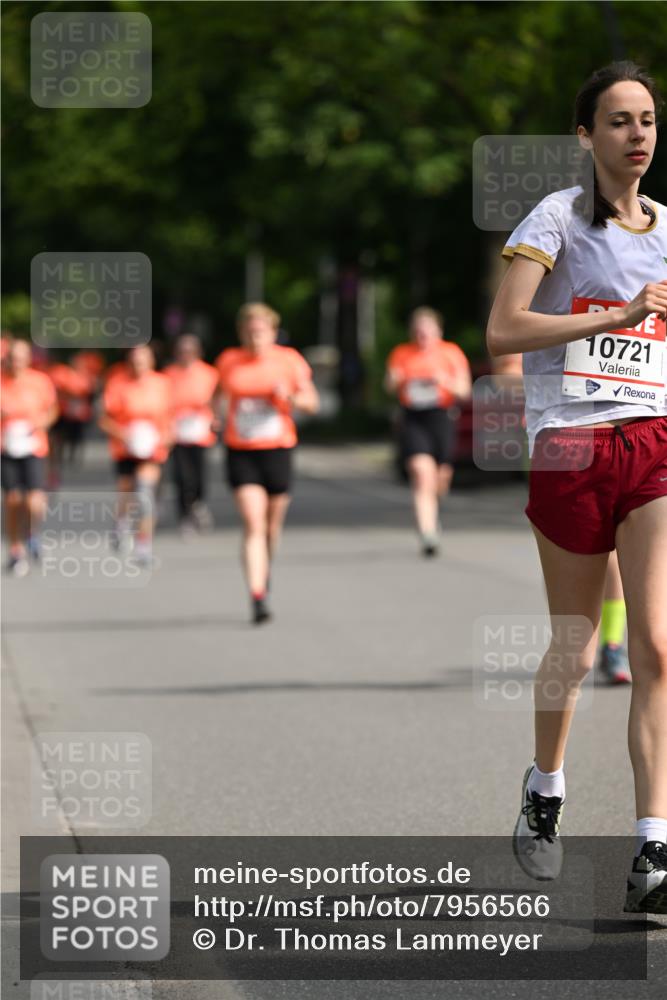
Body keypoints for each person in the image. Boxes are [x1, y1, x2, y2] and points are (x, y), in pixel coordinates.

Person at [487, 62, 667, 912]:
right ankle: (545, 787)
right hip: (568, 443)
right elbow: (504, 329)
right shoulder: (555, 217)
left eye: (647, 120)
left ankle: (652, 847)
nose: (636, 135)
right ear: (585, 136)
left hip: (653, 441)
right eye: (619, 121)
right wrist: (612, 314)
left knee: (658, 648)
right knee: (574, 642)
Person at [215, 303, 319, 624]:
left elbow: (311, 403)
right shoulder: (229, 361)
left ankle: (264, 571)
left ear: (273, 332)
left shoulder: (288, 361)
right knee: (253, 522)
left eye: (260, 331)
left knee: (272, 527)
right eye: (248, 330)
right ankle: (257, 593)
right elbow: (218, 397)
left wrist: (290, 398)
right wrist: (215, 417)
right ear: (240, 332)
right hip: (241, 450)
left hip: (277, 449)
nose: (254, 336)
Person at [385, 307, 471, 556]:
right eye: (418, 330)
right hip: (413, 417)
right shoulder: (402, 353)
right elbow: (389, 385)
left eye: (427, 330)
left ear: (437, 331)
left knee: (441, 476)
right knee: (422, 473)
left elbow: (464, 390)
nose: (423, 335)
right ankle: (428, 532)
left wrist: (445, 382)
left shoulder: (450, 352)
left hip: (441, 416)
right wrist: (396, 379)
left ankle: (432, 508)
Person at [98, 345, 171, 566]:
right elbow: (104, 419)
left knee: (144, 494)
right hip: (126, 448)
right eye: (135, 360)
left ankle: (143, 546)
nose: (139, 364)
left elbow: (173, 416)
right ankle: (121, 523)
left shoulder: (162, 384)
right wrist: (124, 434)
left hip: (153, 449)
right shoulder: (118, 383)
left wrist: (166, 438)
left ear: (151, 361)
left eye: (143, 359)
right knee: (127, 493)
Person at [1, 339, 58, 575]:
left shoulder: (40, 381)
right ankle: (15, 550)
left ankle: (33, 533)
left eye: (22, 358)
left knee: (34, 502)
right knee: (13, 500)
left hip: (34, 446)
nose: (17, 362)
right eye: (13, 358)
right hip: (7, 448)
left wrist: (42, 422)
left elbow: (53, 409)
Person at [164, 334, 219, 535]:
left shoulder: (210, 374)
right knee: (180, 476)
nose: (185, 355)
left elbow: (218, 401)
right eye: (182, 351)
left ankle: (198, 503)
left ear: (198, 352)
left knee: (199, 476)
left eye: (190, 351)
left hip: (200, 432)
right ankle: (184, 515)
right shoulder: (168, 374)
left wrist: (216, 418)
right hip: (177, 432)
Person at [47, 352, 97, 487]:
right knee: (59, 438)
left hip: (79, 413)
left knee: (76, 437)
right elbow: (57, 390)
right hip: (64, 411)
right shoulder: (63, 373)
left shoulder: (86, 376)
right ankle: (59, 458)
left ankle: (73, 455)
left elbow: (89, 393)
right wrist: (68, 395)